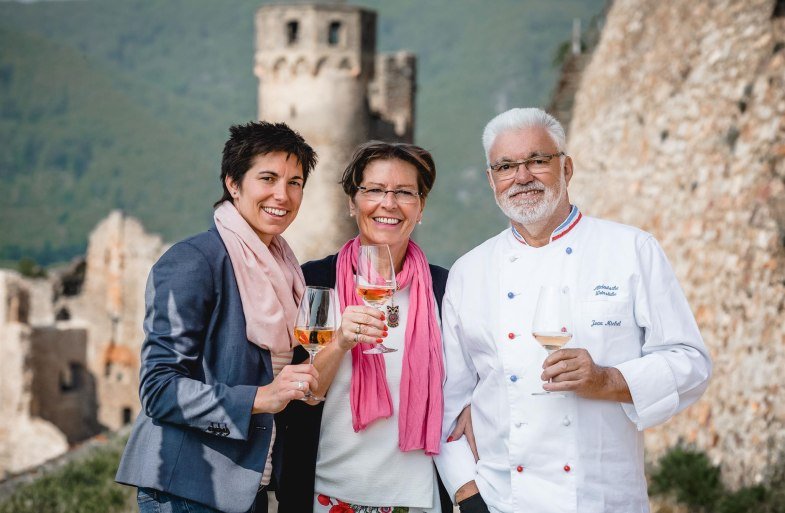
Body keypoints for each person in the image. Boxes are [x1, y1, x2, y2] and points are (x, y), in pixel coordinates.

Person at [435, 108, 712, 513]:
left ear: (566, 168)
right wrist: (467, 494)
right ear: (492, 180)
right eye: (506, 166)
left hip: (604, 500)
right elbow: (446, 399)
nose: (522, 176)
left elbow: (691, 363)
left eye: (538, 160)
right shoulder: (469, 271)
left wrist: (607, 379)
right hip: (502, 501)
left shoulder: (631, 250)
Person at [115, 121, 319, 513]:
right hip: (189, 488)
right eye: (268, 178)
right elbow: (159, 390)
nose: (283, 194)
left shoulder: (287, 270)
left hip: (248, 488)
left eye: (295, 182)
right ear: (233, 183)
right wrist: (261, 397)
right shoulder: (194, 261)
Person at [276, 141, 453, 513]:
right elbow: (294, 397)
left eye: (404, 192)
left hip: (417, 500)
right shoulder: (313, 281)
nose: (389, 203)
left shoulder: (446, 290)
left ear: (421, 207)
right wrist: (340, 341)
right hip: (327, 496)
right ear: (352, 203)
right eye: (374, 190)